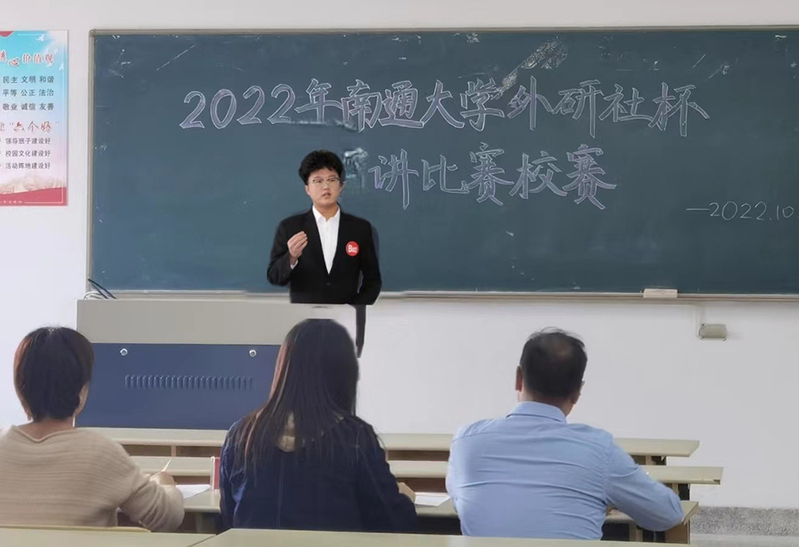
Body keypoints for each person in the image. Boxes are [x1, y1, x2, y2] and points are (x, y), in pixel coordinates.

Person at [446, 329, 684, 540]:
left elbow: (463, 503)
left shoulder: (466, 441)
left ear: (518, 378)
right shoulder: (598, 450)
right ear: (577, 392)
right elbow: (668, 514)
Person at [220, 319, 416, 532]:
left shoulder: (240, 435)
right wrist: (405, 498)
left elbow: (229, 519)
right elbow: (391, 522)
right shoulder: (355, 437)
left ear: (283, 369)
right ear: (344, 374)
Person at [0, 327, 184, 530]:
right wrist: (166, 483)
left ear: (20, 388)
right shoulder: (100, 453)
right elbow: (167, 518)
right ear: (82, 389)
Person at [267, 150, 381, 305]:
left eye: (332, 180)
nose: (326, 186)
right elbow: (274, 277)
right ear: (307, 189)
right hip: (304, 316)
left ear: (341, 186)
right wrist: (291, 257)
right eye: (318, 181)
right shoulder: (289, 227)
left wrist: (354, 309)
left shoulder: (360, 229)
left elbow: (373, 281)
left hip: (346, 316)